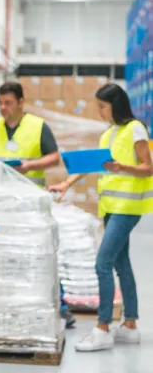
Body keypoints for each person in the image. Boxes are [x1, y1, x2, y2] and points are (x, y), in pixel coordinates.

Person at [48, 83, 153, 352]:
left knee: (103, 263)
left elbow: (147, 168)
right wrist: (66, 184)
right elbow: (93, 165)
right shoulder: (109, 133)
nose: (99, 111)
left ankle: (103, 327)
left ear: (115, 105)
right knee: (121, 264)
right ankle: (130, 325)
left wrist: (122, 167)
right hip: (110, 207)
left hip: (127, 208)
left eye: (102, 106)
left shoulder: (135, 129)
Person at [0, 81, 76, 327]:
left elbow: (54, 157)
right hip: (0, 201)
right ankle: (8, 302)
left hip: (31, 200)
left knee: (42, 251)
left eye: (8, 103)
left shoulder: (38, 126)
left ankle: (60, 305)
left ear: (21, 102)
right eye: (0, 102)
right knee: (3, 253)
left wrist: (29, 165)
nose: (3, 107)